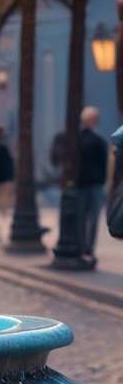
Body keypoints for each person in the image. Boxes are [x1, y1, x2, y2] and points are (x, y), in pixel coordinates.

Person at [77, 106, 109, 265]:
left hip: (81, 183)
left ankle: (83, 246)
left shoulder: (78, 139)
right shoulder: (98, 141)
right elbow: (104, 166)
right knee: (92, 218)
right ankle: (88, 248)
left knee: (82, 217)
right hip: (94, 184)